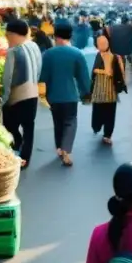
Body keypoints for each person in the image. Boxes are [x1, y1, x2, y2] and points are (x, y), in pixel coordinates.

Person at [39, 22, 91, 167]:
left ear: (55, 36)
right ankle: (67, 149)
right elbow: (83, 77)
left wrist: (43, 94)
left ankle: (60, 149)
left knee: (58, 122)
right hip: (70, 95)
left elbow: (42, 77)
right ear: (71, 36)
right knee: (70, 121)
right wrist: (86, 93)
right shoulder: (77, 53)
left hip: (53, 96)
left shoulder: (48, 54)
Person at [1, 18, 43, 168]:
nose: (7, 40)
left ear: (13, 35)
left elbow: (8, 79)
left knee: (8, 124)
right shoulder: (34, 46)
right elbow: (39, 70)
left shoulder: (14, 51)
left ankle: (16, 147)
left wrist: (3, 100)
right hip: (33, 93)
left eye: (7, 36)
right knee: (29, 127)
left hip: (17, 96)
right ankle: (25, 159)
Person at [91, 34, 127, 145]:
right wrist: (103, 71)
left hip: (111, 89)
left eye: (104, 43)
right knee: (98, 110)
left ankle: (107, 134)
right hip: (98, 88)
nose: (101, 45)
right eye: (99, 43)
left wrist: (122, 82)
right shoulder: (97, 55)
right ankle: (97, 126)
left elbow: (121, 71)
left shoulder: (116, 57)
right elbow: (94, 71)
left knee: (110, 113)